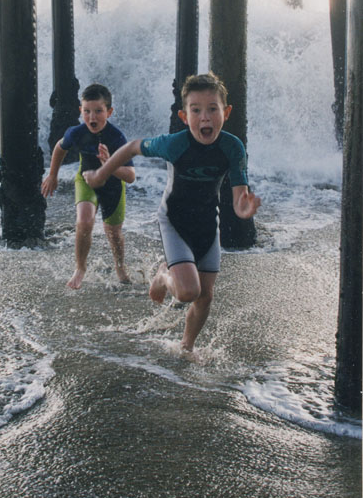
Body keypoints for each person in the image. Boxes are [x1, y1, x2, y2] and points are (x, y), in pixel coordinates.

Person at [83, 72, 261, 356]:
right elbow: (132, 147)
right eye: (196, 110)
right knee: (188, 292)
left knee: (205, 296)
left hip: (206, 222)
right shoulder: (174, 144)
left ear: (225, 112)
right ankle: (164, 274)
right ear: (183, 115)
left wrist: (244, 210)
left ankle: (186, 347)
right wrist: (103, 173)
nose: (205, 118)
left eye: (212, 109)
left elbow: (239, 197)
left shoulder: (232, 148)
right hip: (174, 221)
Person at [41, 84, 136, 289]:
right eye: (87, 111)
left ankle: (120, 267)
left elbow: (130, 177)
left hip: (113, 187)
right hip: (85, 181)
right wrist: (52, 175)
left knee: (113, 232)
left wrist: (109, 164)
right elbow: (59, 147)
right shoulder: (76, 132)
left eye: (98, 111)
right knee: (84, 221)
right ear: (80, 111)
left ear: (109, 112)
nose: (92, 117)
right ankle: (80, 267)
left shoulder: (117, 137)